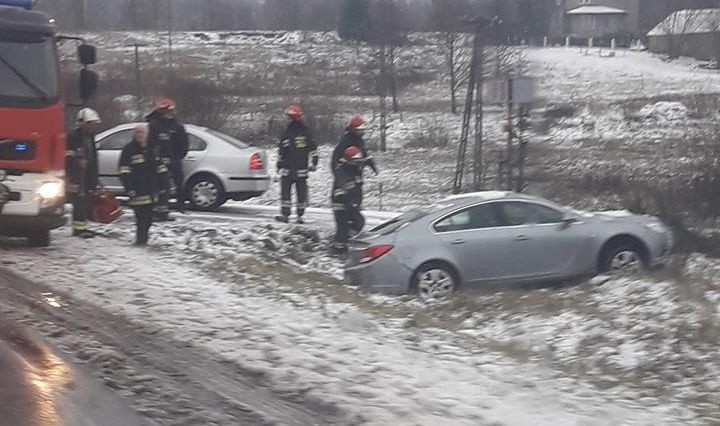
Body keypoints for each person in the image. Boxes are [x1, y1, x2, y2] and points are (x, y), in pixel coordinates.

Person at [275, 104, 318, 224]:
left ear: (293, 118)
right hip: (289, 169)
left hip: (297, 169)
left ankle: (296, 216)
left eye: (288, 117)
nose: (287, 119)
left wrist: (314, 162)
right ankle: (288, 215)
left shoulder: (302, 133)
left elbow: (313, 149)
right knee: (288, 194)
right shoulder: (289, 132)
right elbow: (281, 151)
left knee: (298, 193)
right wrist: (279, 164)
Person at [146, 98, 189, 220]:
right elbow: (150, 143)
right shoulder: (154, 125)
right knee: (159, 186)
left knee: (178, 182)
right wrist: (155, 158)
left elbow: (183, 143)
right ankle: (157, 209)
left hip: (174, 159)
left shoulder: (177, 125)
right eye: (169, 110)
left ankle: (180, 206)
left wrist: (177, 156)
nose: (172, 113)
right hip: (158, 160)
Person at [65, 108, 101, 238]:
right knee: (79, 202)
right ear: (83, 123)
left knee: (84, 202)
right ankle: (78, 229)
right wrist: (76, 160)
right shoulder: (73, 137)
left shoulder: (90, 137)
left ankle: (82, 227)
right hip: (76, 176)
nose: (94, 127)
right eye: (91, 124)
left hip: (87, 175)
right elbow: (66, 155)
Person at [119, 124, 157, 246]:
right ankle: (140, 241)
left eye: (142, 132)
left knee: (149, 218)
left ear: (147, 134)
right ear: (134, 135)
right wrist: (129, 188)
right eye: (137, 132)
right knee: (141, 218)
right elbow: (124, 171)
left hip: (150, 190)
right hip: (137, 190)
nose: (140, 135)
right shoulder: (129, 149)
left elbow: (157, 168)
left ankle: (144, 239)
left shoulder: (151, 149)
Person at [331, 116, 378, 208]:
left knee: (357, 191)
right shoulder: (346, 141)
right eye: (359, 130)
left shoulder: (359, 141)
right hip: (346, 173)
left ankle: (356, 207)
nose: (362, 132)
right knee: (348, 193)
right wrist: (338, 174)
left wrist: (372, 166)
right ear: (353, 129)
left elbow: (365, 155)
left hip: (356, 171)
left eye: (362, 130)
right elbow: (336, 159)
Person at [331, 146, 366, 255]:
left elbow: (357, 187)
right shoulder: (342, 170)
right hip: (341, 204)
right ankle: (337, 250)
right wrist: (349, 201)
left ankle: (346, 240)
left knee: (359, 222)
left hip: (352, 204)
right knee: (342, 227)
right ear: (349, 160)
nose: (358, 163)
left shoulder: (355, 170)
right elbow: (343, 188)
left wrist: (356, 202)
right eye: (356, 160)